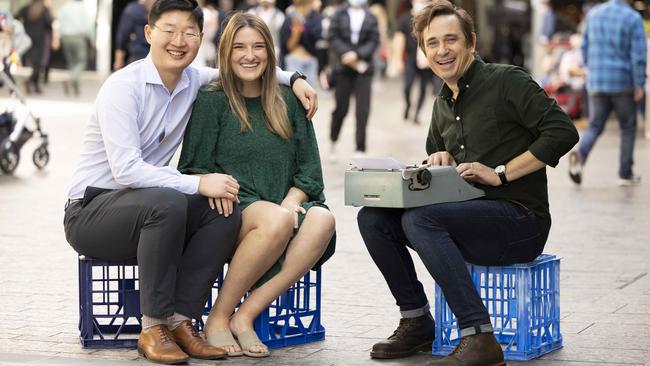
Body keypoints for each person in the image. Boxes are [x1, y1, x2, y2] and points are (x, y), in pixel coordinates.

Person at [62, 0, 318, 364]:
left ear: (201, 38)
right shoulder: (123, 87)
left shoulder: (191, 78)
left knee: (223, 210)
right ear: (149, 33)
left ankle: (182, 320)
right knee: (170, 201)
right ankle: (153, 327)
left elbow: (238, 68)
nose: (178, 41)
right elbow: (126, 171)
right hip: (91, 212)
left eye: (189, 33)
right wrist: (199, 183)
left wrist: (295, 79)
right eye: (169, 30)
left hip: (146, 211)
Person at [356, 1, 578, 365]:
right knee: (373, 218)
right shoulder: (441, 103)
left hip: (520, 221)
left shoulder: (507, 80)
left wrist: (501, 172)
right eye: (432, 43)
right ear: (423, 51)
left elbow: (562, 131)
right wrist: (439, 160)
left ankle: (479, 336)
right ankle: (416, 321)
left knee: (420, 219)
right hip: (466, 219)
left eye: (450, 40)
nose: (442, 51)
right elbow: (438, 156)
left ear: (471, 42)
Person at [177, 12, 336, 358]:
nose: (250, 55)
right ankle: (217, 318)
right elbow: (193, 167)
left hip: (281, 208)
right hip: (233, 212)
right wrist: (216, 186)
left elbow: (310, 170)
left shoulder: (289, 99)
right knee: (275, 219)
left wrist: (293, 200)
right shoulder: (212, 100)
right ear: (226, 54)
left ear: (270, 52)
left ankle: (244, 315)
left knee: (323, 218)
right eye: (240, 48)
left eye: (258, 47)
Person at [568, 0, 646, 187]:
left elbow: (584, 48)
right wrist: (639, 84)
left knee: (595, 124)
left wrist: (592, 69)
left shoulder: (593, 15)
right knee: (627, 127)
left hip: (597, 81)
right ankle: (625, 174)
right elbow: (638, 55)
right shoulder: (633, 17)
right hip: (623, 82)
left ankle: (580, 155)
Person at [328, 0, 379, 160]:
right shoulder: (338, 14)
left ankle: (360, 148)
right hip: (343, 68)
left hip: (364, 69)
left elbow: (374, 40)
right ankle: (333, 141)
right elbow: (332, 36)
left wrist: (357, 55)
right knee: (341, 108)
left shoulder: (371, 16)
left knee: (362, 110)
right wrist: (348, 54)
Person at [393, 0, 442, 124]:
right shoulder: (405, 19)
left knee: (423, 88)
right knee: (407, 86)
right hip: (410, 58)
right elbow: (399, 39)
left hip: (426, 59)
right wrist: (398, 60)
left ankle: (416, 114)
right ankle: (408, 104)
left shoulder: (432, 19)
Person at [279, 0, 322, 85]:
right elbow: (288, 46)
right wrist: (296, 31)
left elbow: (317, 37)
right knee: (293, 93)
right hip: (294, 60)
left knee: (310, 93)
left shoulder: (315, 17)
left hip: (311, 60)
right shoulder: (290, 18)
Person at [14, 0, 53, 94]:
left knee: (34, 61)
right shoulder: (44, 9)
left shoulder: (27, 8)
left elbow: (16, 16)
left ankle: (33, 83)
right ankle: (33, 82)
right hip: (40, 38)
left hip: (29, 36)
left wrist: (23, 26)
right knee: (39, 63)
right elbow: (49, 23)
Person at [57, 0, 94, 96]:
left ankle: (75, 86)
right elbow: (88, 26)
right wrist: (92, 39)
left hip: (65, 37)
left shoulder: (65, 8)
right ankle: (71, 79)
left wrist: (59, 37)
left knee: (72, 62)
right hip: (78, 37)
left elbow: (59, 23)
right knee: (81, 61)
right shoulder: (82, 9)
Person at [113, 0, 153, 70]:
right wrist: (119, 60)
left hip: (143, 54)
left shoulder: (132, 9)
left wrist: (118, 60)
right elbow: (123, 36)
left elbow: (122, 37)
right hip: (139, 54)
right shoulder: (133, 10)